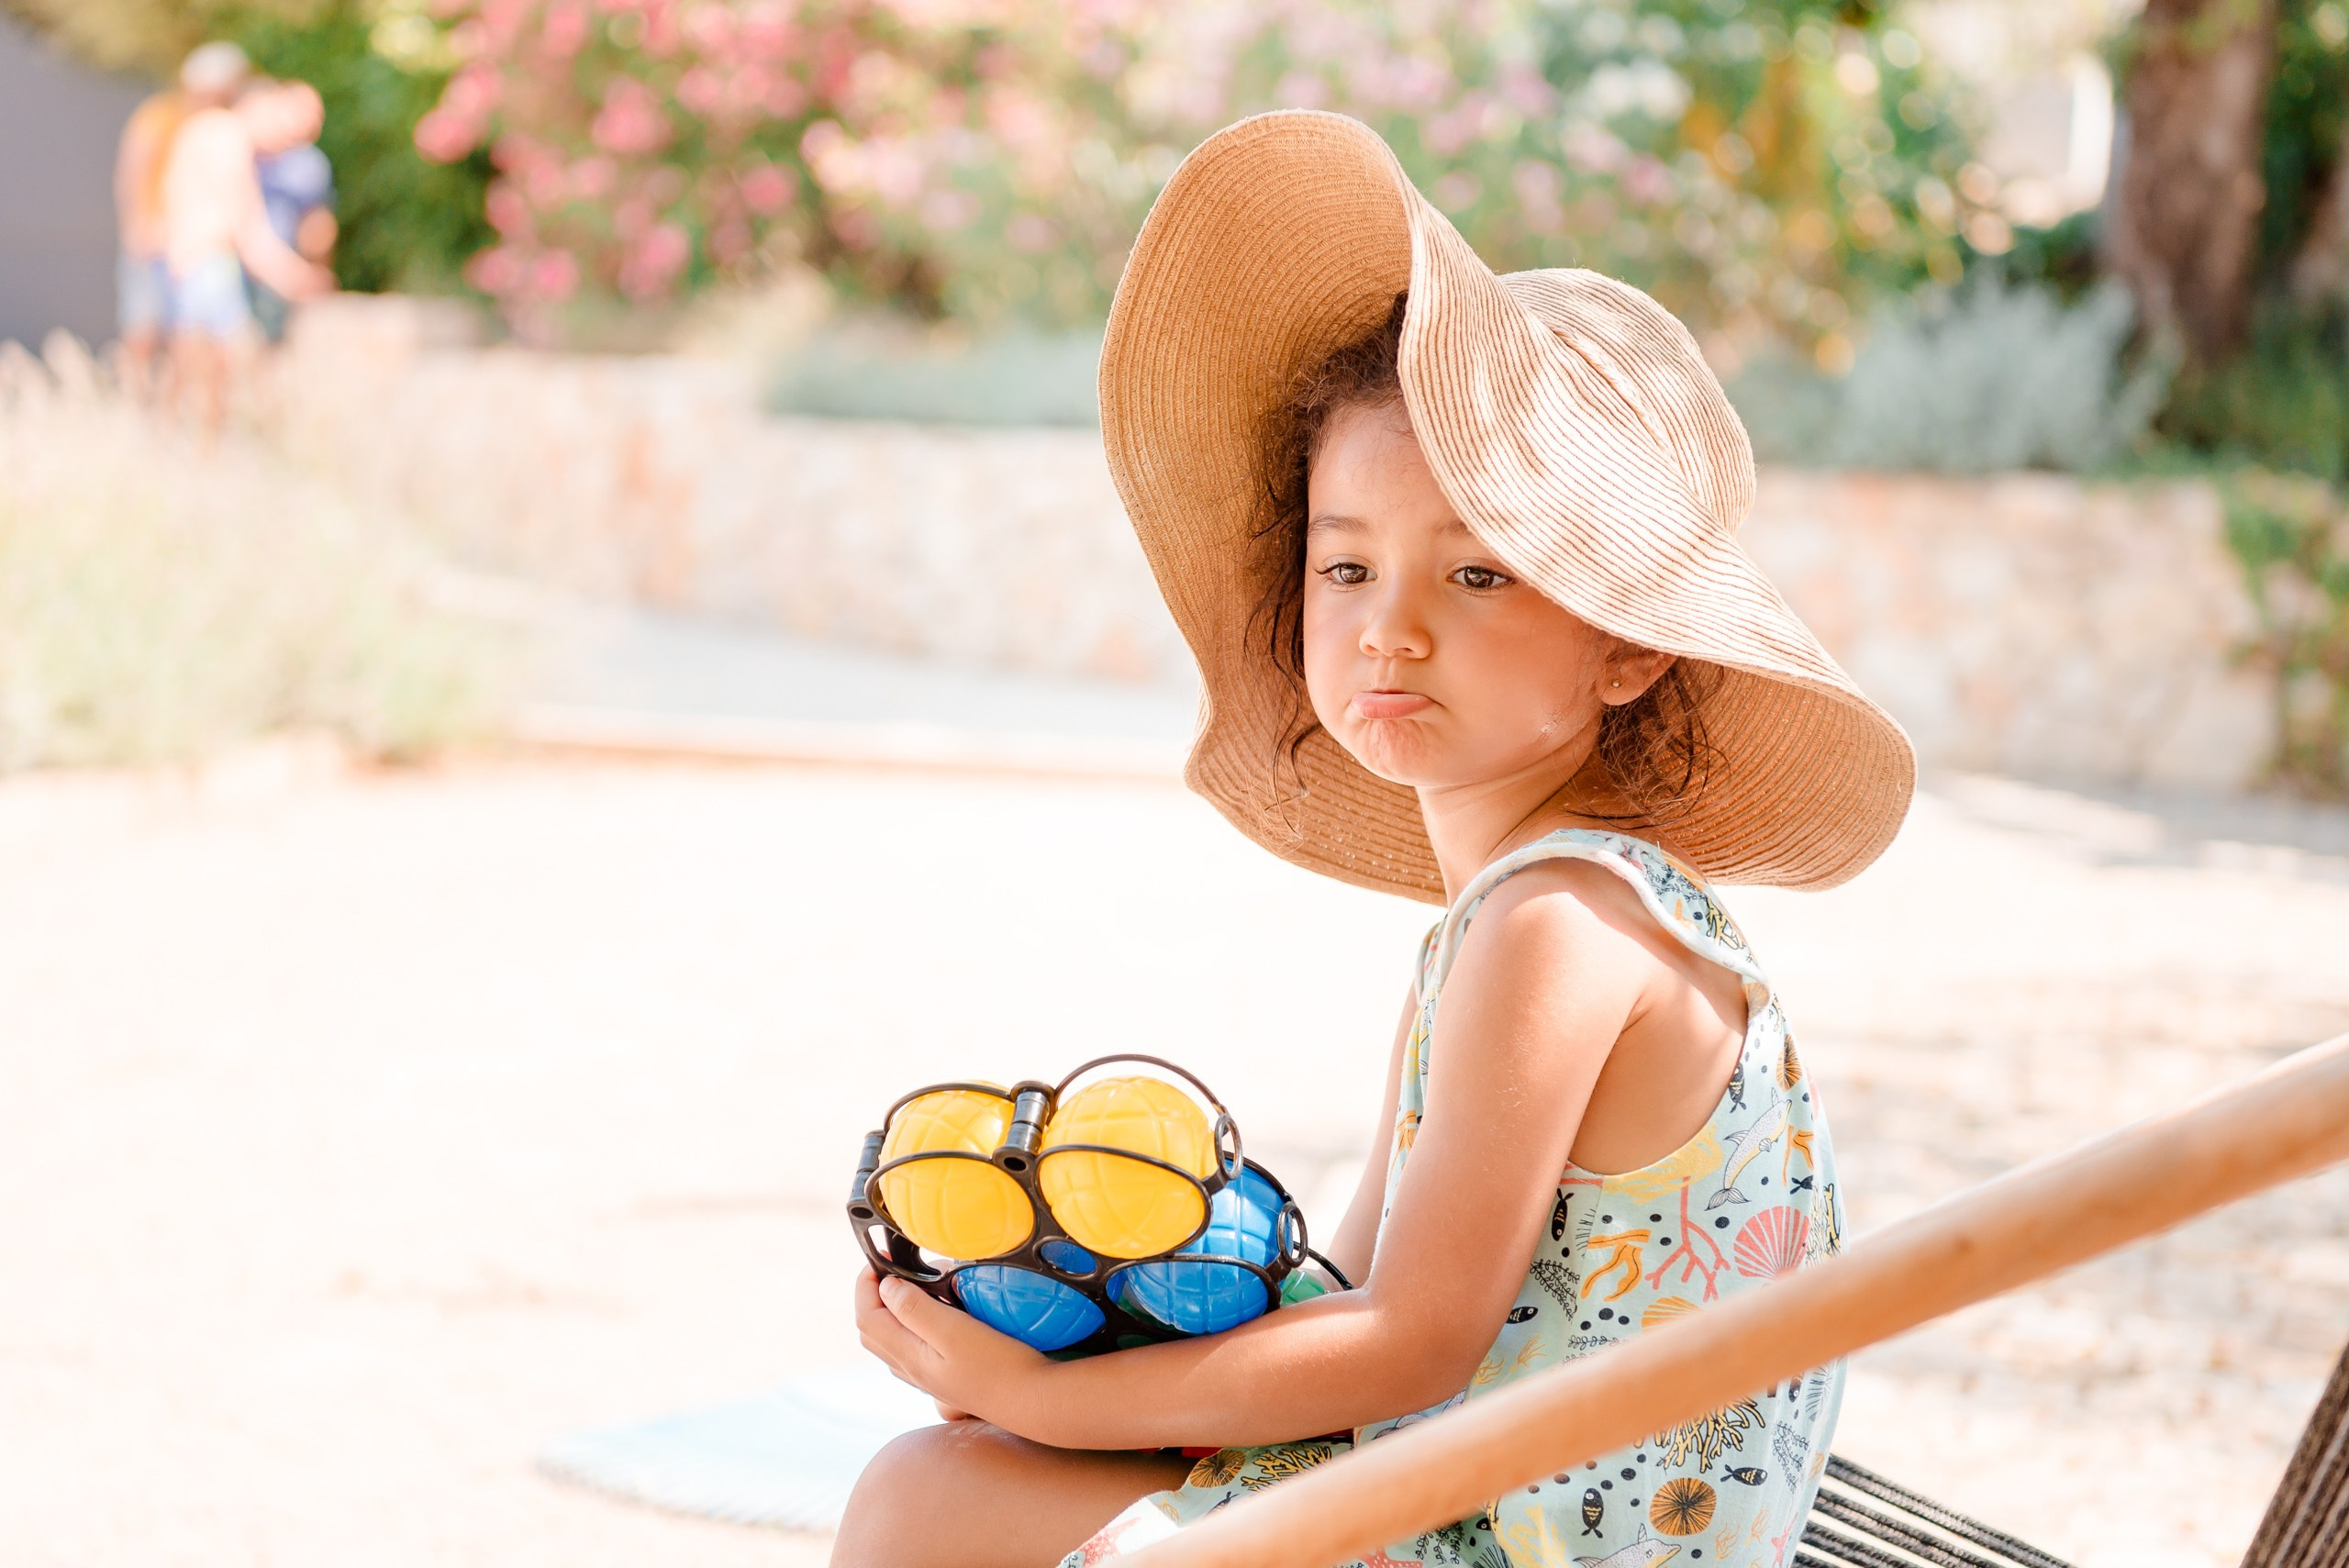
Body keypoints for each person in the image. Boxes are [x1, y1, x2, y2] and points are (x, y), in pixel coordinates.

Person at [836, 111, 1916, 1568]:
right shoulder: (1518, 920)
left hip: (1532, 1544)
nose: (1390, 627)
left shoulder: (1555, 929)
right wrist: (1063, 1336)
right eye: (1346, 564)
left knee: (925, 1501)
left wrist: (1047, 1402)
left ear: (1629, 644)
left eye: (1477, 574)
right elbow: (1342, 1286)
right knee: (975, 1463)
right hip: (1475, 1501)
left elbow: (1408, 1339)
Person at [158, 68, 335, 430]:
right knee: (216, 362)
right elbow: (244, 222)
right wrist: (292, 276)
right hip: (206, 260)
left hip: (189, 257)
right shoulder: (228, 138)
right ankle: (204, 445)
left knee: (193, 362)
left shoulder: (203, 128)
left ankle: (174, 438)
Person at [112, 41, 249, 397]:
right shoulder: (160, 115)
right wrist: (137, 225)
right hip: (154, 236)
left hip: (191, 241)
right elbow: (133, 172)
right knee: (143, 325)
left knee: (185, 332)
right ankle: (135, 401)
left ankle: (175, 406)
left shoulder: (217, 124)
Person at [248, 79, 337, 341]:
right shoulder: (240, 148)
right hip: (243, 265)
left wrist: (313, 270)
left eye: (317, 116)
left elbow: (317, 226)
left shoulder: (308, 164)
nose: (311, 122)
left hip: (279, 270)